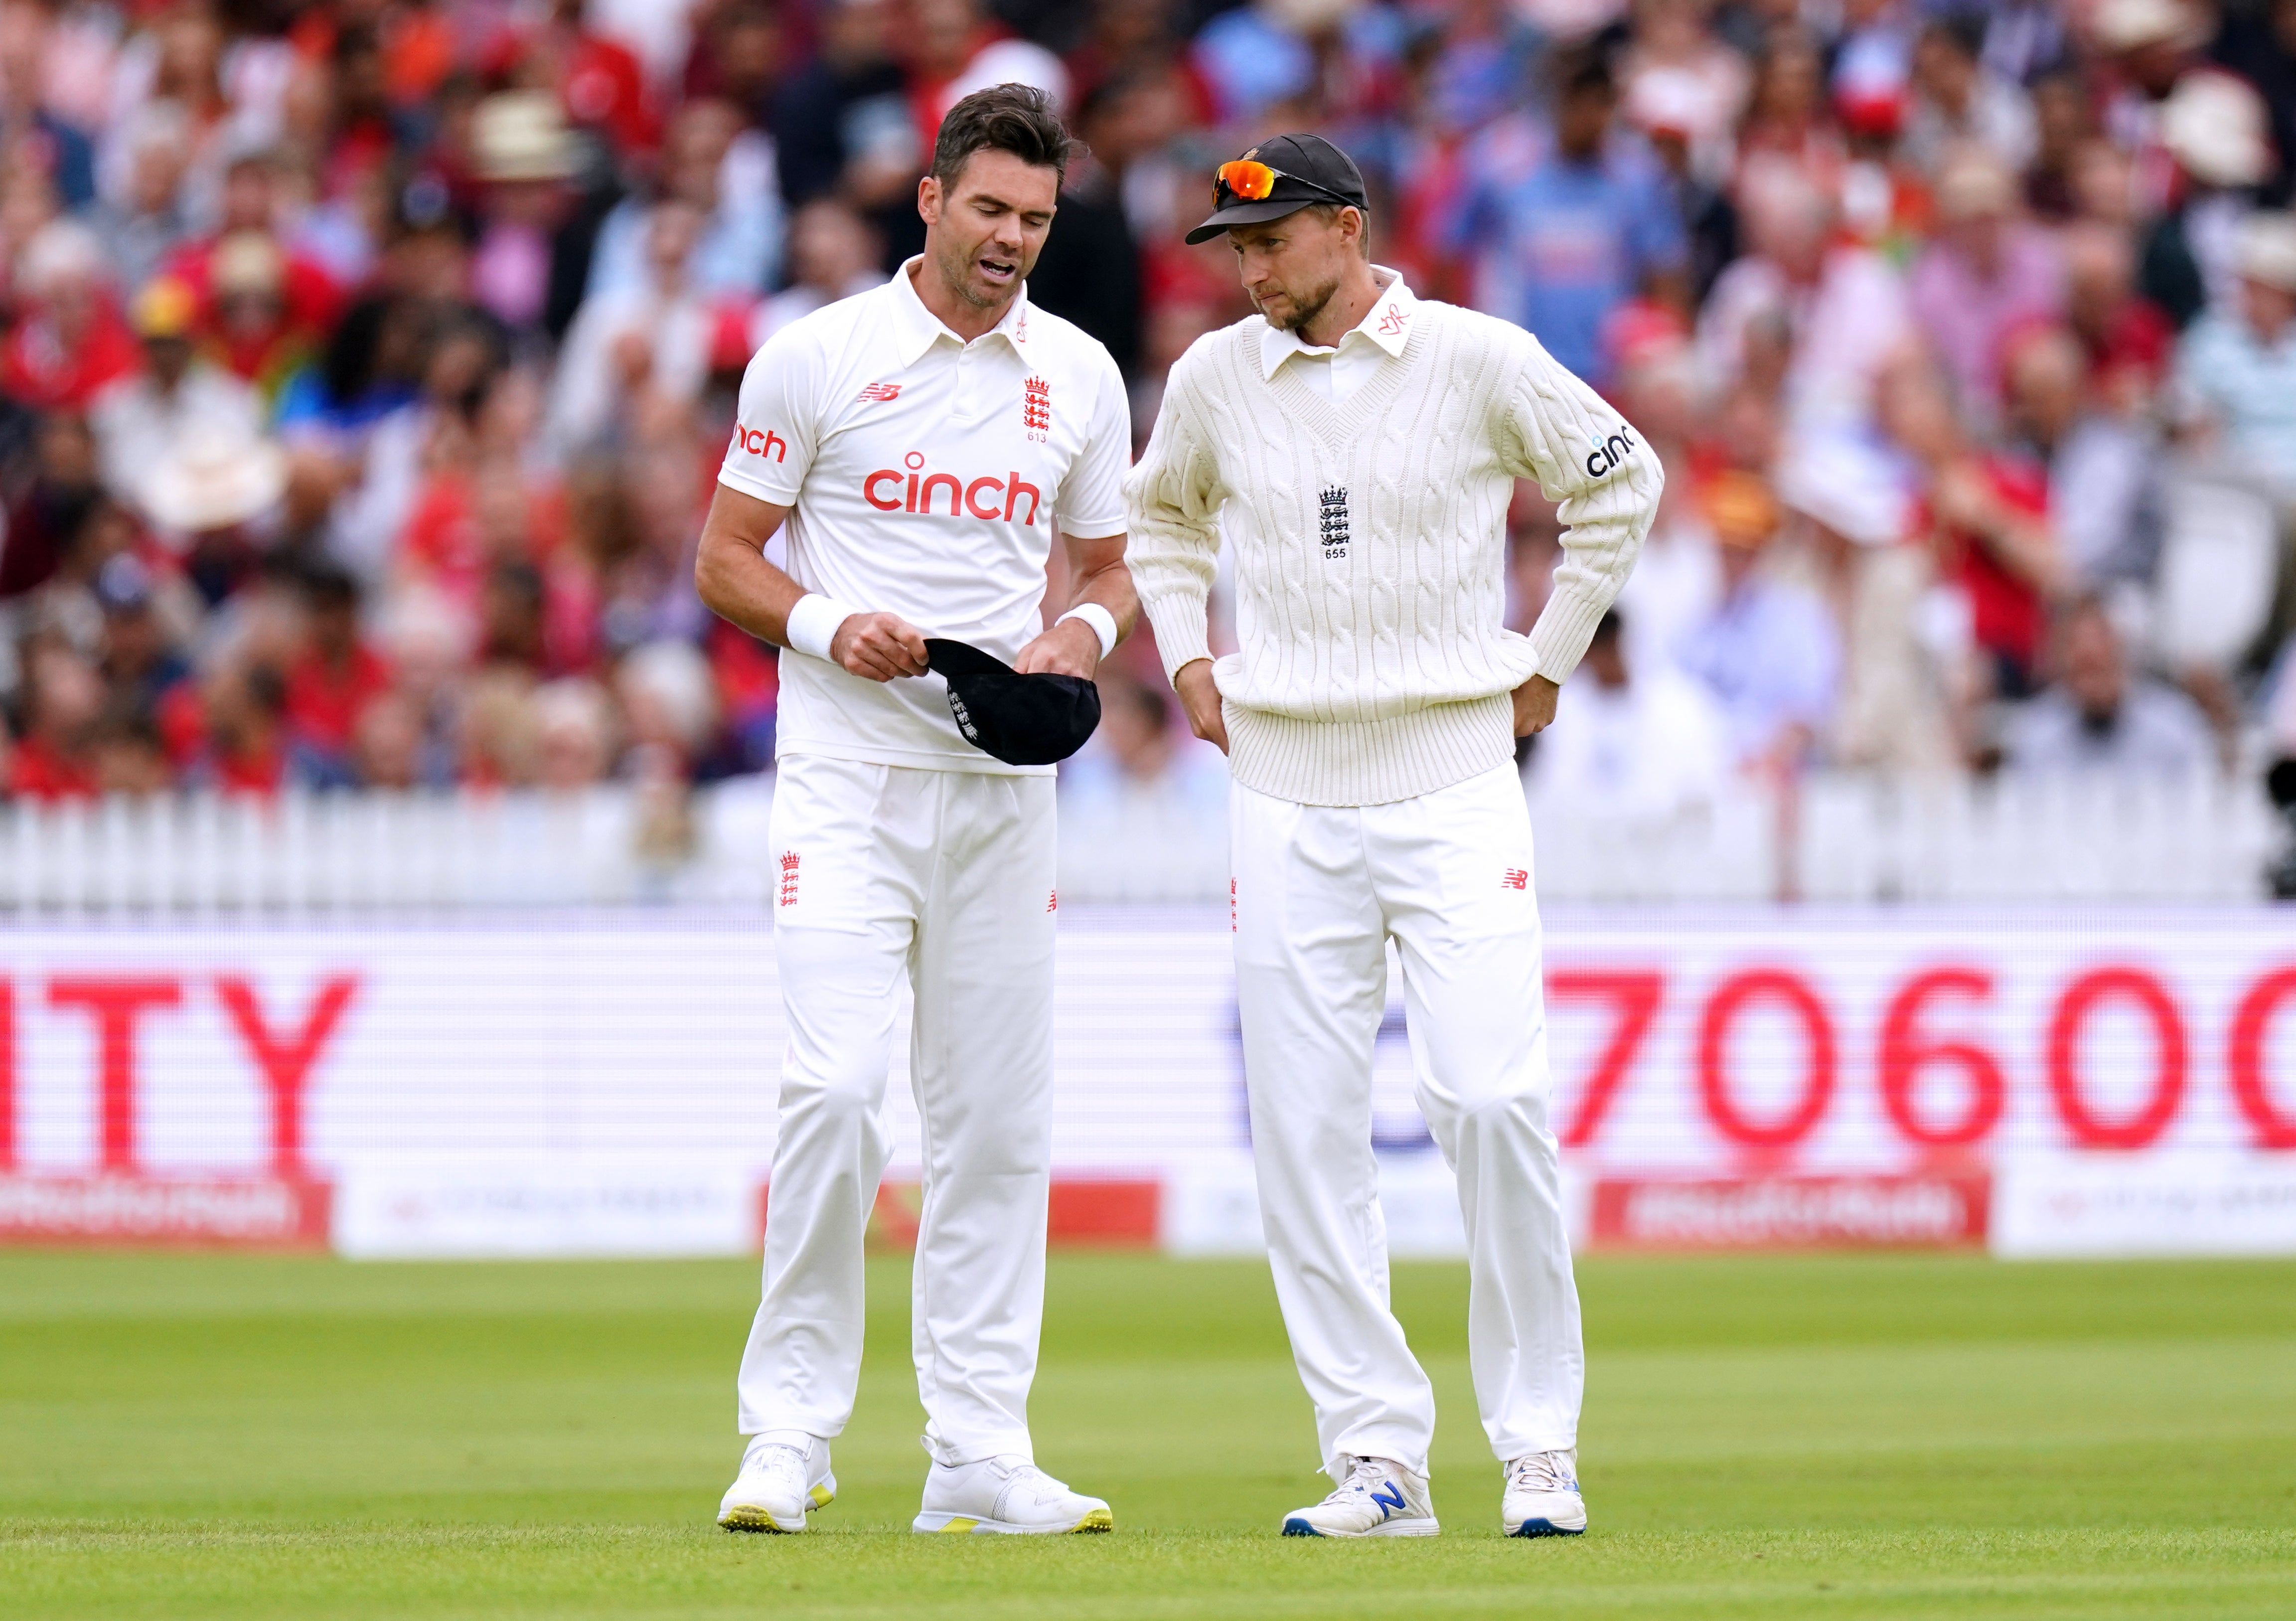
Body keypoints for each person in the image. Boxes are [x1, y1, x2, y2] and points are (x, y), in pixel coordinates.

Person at [1128, 133, 1660, 1540]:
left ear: (1346, 230)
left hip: (1451, 774)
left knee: (1488, 1100)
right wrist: (1186, 657)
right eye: (1232, 249)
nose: (1248, 272)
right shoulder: (1210, 381)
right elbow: (1159, 524)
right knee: (1303, 1139)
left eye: (1271, 243)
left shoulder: (1478, 358)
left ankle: (1536, 1447)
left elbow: (1622, 476)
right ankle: (1376, 1457)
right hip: (1283, 787)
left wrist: (1546, 650)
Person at [693, 86, 1136, 1537]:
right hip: (846, 773)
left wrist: (1077, 640)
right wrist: (826, 624)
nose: (1012, 239)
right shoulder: (815, 356)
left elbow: (1109, 571)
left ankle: (976, 1456)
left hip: (1002, 792)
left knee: (994, 1128)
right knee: (830, 1092)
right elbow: (724, 559)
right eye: (992, 210)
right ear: (931, 199)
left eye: (1036, 219)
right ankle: (787, 1434)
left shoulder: (1074, 375)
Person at [2003, 596, 2214, 776]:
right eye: (2084, 669)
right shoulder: (2035, 736)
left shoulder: (2173, 726)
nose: (2094, 683)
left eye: (2102, 665)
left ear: (2124, 653)